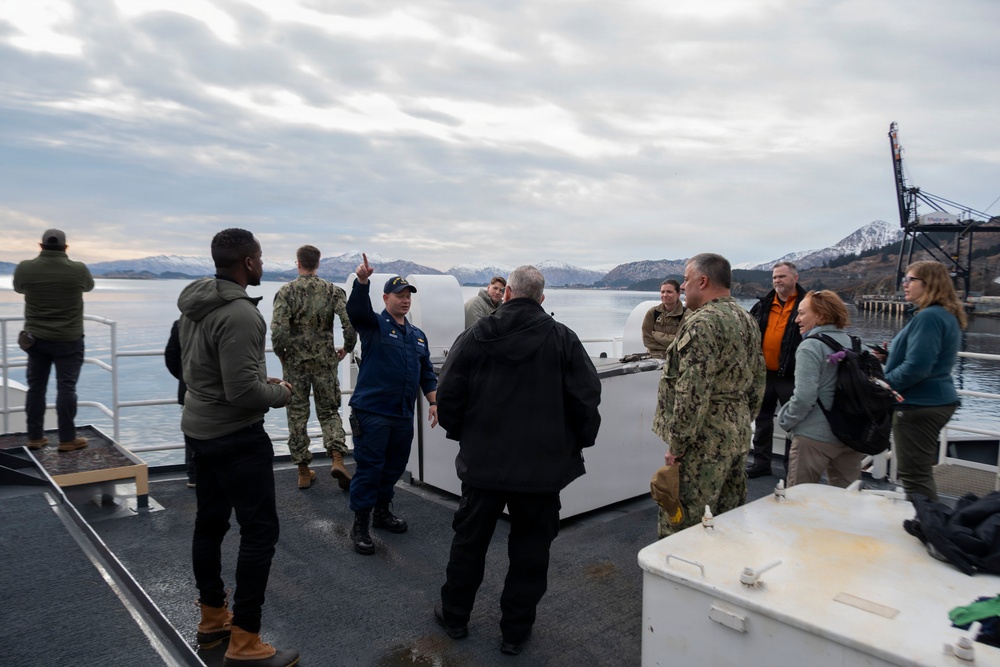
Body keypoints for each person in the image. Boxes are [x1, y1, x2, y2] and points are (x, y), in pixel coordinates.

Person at [435, 265, 602, 656]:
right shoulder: (563, 339)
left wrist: (466, 436)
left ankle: (455, 616)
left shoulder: (475, 335)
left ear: (506, 293)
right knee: (530, 552)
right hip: (541, 471)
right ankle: (514, 631)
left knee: (469, 544)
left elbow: (449, 393)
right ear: (542, 299)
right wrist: (576, 443)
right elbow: (586, 398)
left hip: (483, 467)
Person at [177, 228, 298, 666]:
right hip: (236, 438)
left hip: (199, 430)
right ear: (247, 263)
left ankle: (213, 618)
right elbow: (243, 395)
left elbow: (191, 365)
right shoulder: (242, 315)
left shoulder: (196, 302)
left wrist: (247, 380)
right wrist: (282, 392)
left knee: (209, 524)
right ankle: (245, 642)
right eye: (261, 257)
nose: (263, 264)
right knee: (260, 531)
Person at [653, 253, 765, 538]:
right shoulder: (746, 319)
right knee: (728, 520)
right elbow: (758, 379)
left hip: (703, 440)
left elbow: (692, 391)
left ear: (703, 281)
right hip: (737, 433)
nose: (682, 287)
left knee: (683, 523)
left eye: (686, 280)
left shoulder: (702, 323)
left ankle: (677, 578)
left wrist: (677, 445)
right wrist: (742, 419)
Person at [346, 254, 438, 555]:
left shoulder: (417, 336)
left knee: (394, 467)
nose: (405, 300)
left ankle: (382, 513)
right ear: (386, 297)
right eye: (399, 295)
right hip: (372, 413)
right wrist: (361, 283)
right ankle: (360, 524)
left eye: (408, 296)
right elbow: (356, 312)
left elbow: (425, 371)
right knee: (370, 468)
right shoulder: (373, 325)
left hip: (401, 415)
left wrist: (433, 401)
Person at [271, 245, 357, 491]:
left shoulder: (286, 292)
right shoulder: (332, 291)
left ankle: (302, 471)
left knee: (297, 414)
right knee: (329, 411)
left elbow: (278, 331)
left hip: (295, 364)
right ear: (318, 263)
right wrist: (347, 348)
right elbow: (349, 323)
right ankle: (337, 459)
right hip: (325, 362)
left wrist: (282, 355)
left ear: (298, 263)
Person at [881, 261, 966, 502]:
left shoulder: (928, 317)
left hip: (919, 405)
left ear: (929, 284)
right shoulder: (943, 315)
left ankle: (929, 528)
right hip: (936, 400)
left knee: (914, 475)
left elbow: (918, 366)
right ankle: (928, 523)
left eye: (910, 280)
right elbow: (929, 358)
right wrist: (890, 357)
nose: (904, 285)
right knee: (917, 472)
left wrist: (885, 386)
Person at [13, 229, 94, 452]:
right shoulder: (78, 269)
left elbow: (18, 288)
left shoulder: (25, 268)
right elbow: (89, 286)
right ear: (65, 248)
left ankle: (35, 437)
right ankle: (68, 439)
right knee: (66, 388)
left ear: (41, 246)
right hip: (69, 339)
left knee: (36, 388)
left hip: (36, 340)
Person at [777, 290, 865, 487]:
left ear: (821, 315)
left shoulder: (811, 347)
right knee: (846, 500)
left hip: (813, 438)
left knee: (799, 498)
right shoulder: (855, 343)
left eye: (801, 313)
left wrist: (787, 420)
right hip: (850, 435)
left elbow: (804, 396)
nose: (796, 320)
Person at [746, 261, 807, 478]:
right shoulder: (763, 304)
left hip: (791, 375)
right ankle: (762, 463)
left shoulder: (806, 304)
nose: (777, 281)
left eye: (782, 276)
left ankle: (792, 467)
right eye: (774, 277)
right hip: (764, 373)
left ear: (795, 278)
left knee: (793, 423)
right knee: (762, 421)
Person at [164, 320, 195, 488]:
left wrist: (185, 377)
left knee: (192, 433)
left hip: (188, 389)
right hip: (215, 389)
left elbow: (171, 356)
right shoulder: (221, 318)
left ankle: (194, 476)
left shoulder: (181, 322)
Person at [641, 278, 686, 358]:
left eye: (669, 292)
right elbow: (647, 340)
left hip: (675, 360)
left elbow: (681, 342)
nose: (665, 295)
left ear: (678, 294)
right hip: (652, 359)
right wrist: (670, 346)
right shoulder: (653, 312)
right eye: (662, 292)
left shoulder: (685, 314)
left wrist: (655, 335)